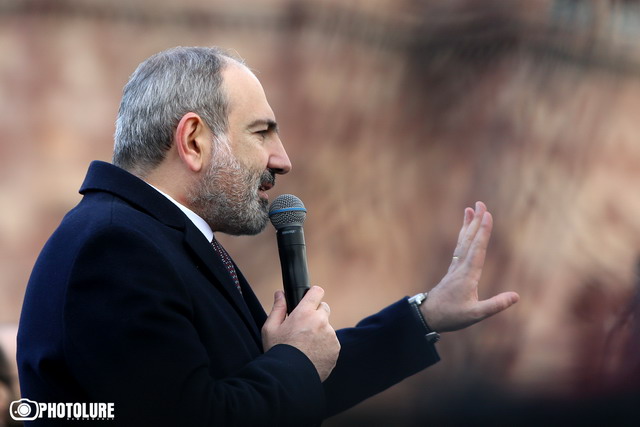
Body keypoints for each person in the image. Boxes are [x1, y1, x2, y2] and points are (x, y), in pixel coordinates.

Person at [16, 46, 519, 426]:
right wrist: (293, 360)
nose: (283, 159)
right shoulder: (116, 249)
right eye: (261, 133)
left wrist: (425, 315)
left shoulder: (157, 237)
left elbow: (277, 390)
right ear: (193, 141)